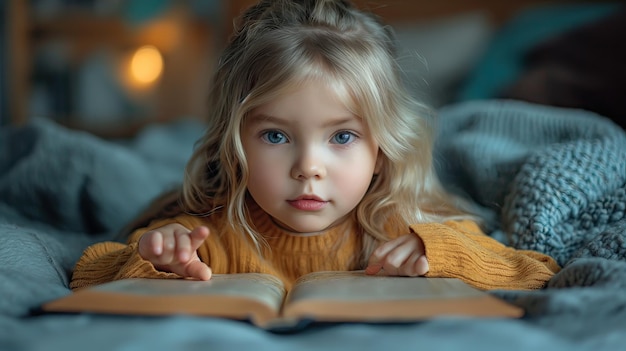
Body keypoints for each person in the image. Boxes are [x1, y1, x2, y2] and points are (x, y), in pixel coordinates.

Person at [70, 0, 560, 292]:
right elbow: (88, 271)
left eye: (342, 137)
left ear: (382, 149)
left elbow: (536, 272)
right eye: (276, 136)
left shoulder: (400, 225)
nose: (308, 168)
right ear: (234, 141)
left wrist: (443, 251)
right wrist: (154, 258)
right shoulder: (210, 233)